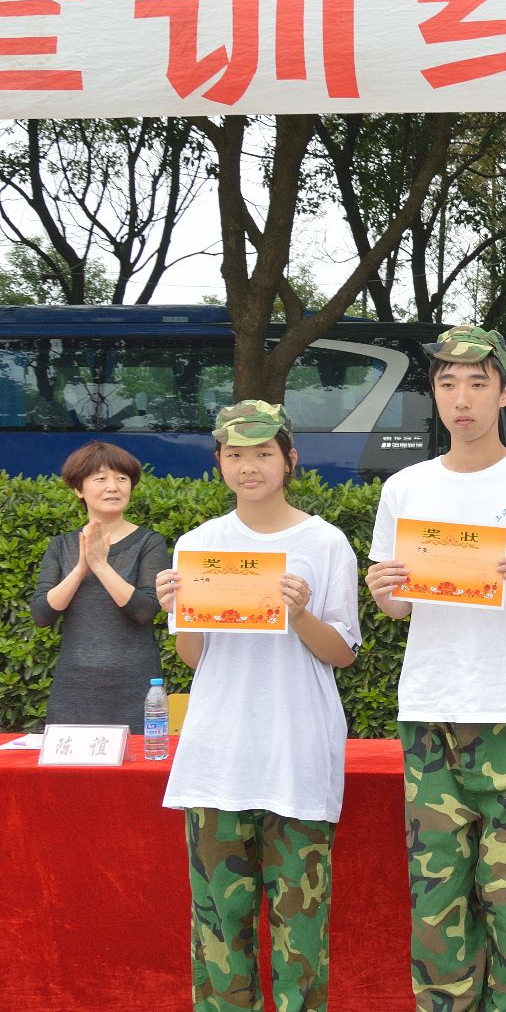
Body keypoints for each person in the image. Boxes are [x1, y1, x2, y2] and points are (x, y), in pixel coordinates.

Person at [366, 326, 506, 1011]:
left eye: (478, 383)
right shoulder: (406, 487)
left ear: (505, 393)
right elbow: (398, 607)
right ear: (434, 393)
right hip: (430, 709)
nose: (462, 399)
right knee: (437, 902)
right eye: (447, 383)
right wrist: (383, 592)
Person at [155, 402, 360, 1010]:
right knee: (219, 932)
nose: (249, 466)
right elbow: (195, 657)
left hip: (297, 756)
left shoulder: (325, 542)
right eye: (235, 454)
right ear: (219, 462)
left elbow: (343, 653)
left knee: (301, 937)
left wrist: (300, 615)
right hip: (217, 758)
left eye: (264, 453)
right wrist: (178, 608)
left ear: (289, 459)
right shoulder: (199, 545)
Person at [30, 440, 166, 731]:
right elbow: (42, 614)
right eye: (100, 479)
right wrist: (82, 567)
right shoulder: (62, 545)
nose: (113, 487)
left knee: (136, 759)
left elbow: (145, 611)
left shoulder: (149, 542)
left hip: (134, 684)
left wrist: (101, 566)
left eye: (122, 478)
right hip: (74, 686)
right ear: (79, 489)